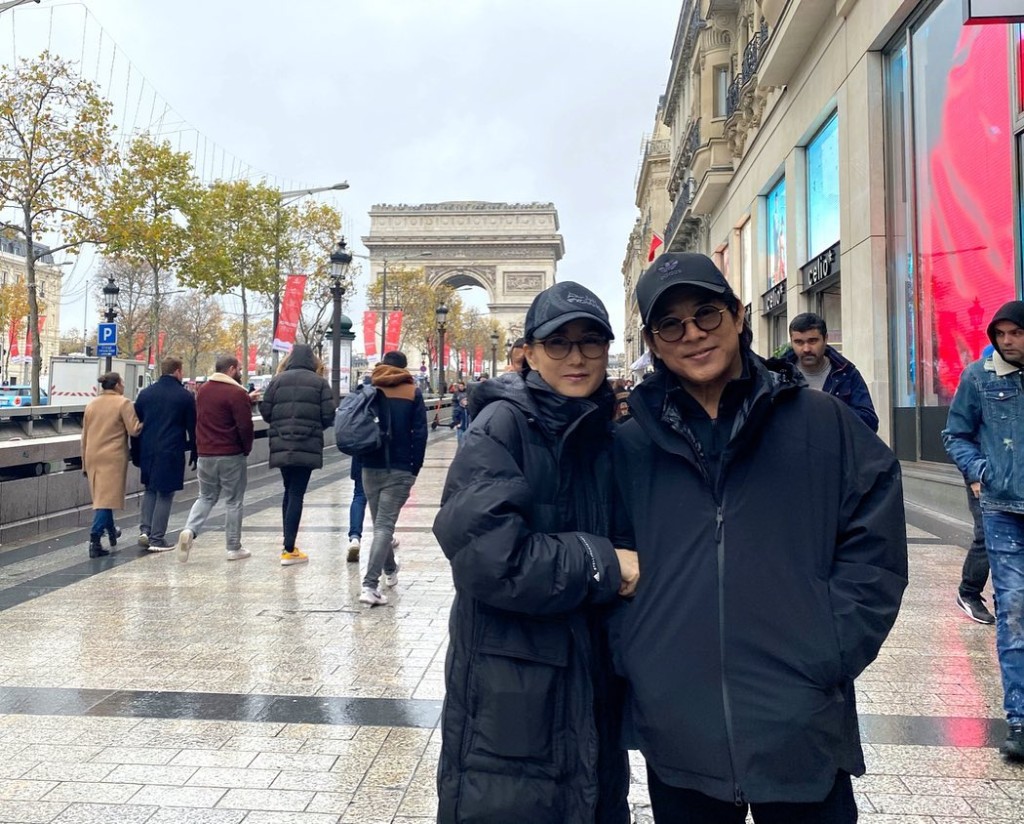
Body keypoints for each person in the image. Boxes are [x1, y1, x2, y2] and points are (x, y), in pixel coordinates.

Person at [613, 252, 908, 822]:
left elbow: (875, 542)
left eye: (706, 313)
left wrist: (829, 646)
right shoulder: (628, 448)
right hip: (679, 732)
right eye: (671, 324)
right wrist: (642, 658)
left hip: (801, 724)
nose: (693, 334)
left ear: (739, 314)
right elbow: (607, 560)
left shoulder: (821, 422)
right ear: (652, 342)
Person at [433, 282, 637, 824]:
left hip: (589, 676)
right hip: (514, 686)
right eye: (558, 343)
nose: (577, 358)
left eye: (591, 342)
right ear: (529, 352)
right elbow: (489, 556)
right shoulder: (500, 427)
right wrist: (603, 563)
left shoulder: (606, 432)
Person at [943, 300, 1024, 761]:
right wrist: (979, 471)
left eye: (1016, 333)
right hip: (1002, 510)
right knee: (1013, 611)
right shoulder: (980, 377)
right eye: (1001, 334)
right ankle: (1019, 721)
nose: (1007, 341)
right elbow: (956, 433)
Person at [357, 350, 426, 606]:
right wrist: (415, 468)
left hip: (369, 466)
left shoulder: (369, 389)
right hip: (399, 467)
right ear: (404, 369)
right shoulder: (412, 392)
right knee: (384, 526)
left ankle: (390, 568)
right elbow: (420, 434)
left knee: (380, 525)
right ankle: (369, 585)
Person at [259, 344, 335, 566]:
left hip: (282, 441)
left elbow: (265, 411)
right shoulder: (319, 383)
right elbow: (329, 415)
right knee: (297, 493)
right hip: (307, 443)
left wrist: (281, 424)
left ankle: (288, 544)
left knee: (288, 490)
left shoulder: (277, 381)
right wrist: (314, 427)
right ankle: (289, 548)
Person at [176, 355, 254, 563]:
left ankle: (190, 530)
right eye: (239, 369)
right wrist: (246, 448)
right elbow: (244, 426)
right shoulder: (237, 393)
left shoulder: (203, 391)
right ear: (231, 369)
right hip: (230, 454)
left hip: (205, 453)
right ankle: (233, 547)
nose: (240, 373)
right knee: (233, 501)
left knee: (206, 497)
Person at [132, 356, 196, 551]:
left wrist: (136, 452)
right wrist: (195, 450)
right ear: (177, 371)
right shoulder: (184, 396)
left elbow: (136, 426)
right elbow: (192, 427)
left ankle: (145, 530)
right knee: (165, 492)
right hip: (170, 450)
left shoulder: (145, 394)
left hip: (147, 450)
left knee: (150, 489)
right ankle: (157, 538)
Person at [81, 372, 143, 558]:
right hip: (112, 457)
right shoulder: (123, 403)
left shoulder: (92, 404)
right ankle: (95, 538)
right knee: (106, 500)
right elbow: (134, 429)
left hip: (92, 455)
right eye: (122, 382)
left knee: (102, 497)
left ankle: (111, 531)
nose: (123, 386)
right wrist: (148, 421)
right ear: (116, 385)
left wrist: (84, 463)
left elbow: (84, 436)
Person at [783, 312, 879, 432]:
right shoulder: (779, 375)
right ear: (791, 342)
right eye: (799, 342)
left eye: (813, 341)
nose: (806, 349)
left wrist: (828, 411)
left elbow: (870, 422)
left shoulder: (847, 373)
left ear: (825, 339)